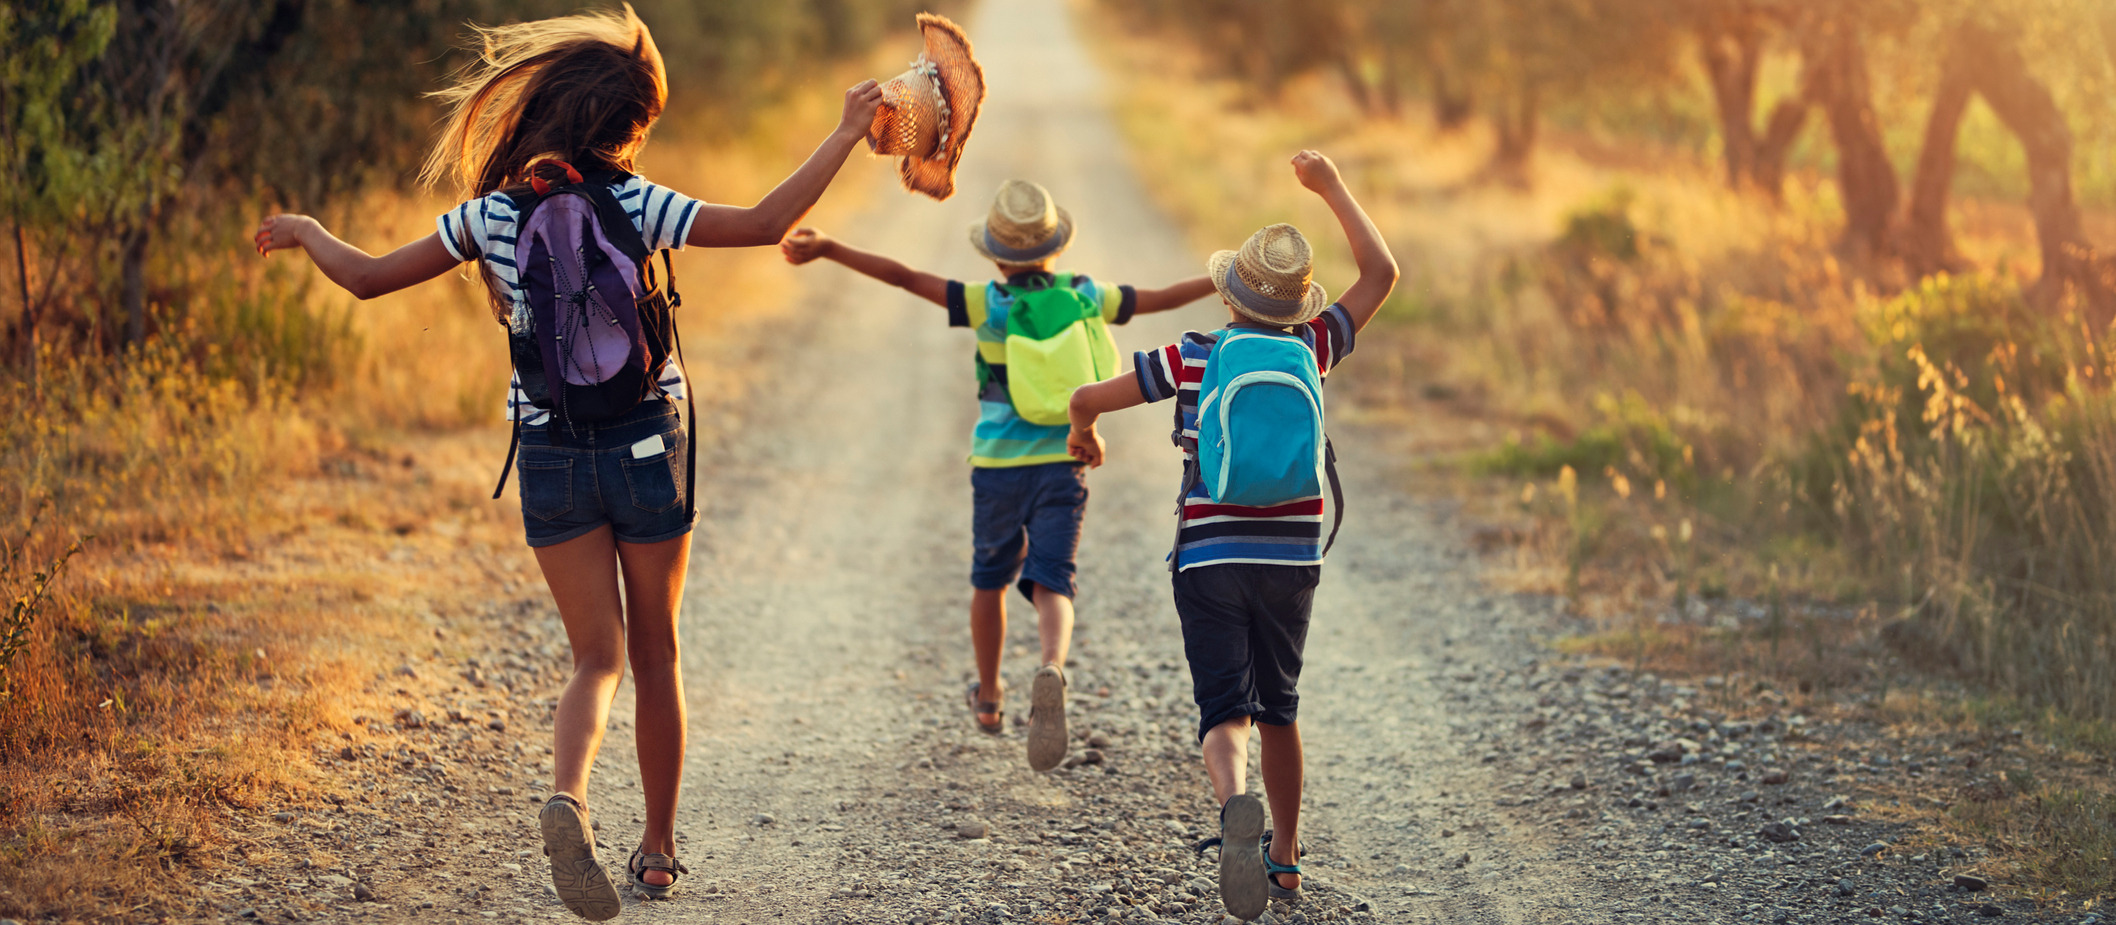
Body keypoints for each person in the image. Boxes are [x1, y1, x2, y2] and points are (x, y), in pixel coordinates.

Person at [253, 7, 882, 919]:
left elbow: (369, 277)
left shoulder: (493, 214)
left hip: (548, 450)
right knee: (657, 654)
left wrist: (311, 231)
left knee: (596, 658)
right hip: (642, 442)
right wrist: (846, 132)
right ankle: (658, 854)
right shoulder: (637, 201)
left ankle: (571, 798)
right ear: (624, 124)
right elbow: (766, 220)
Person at [779, 179, 1214, 770]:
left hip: (997, 466)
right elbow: (1160, 298)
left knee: (990, 578)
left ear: (996, 254)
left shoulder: (987, 302)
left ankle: (988, 698)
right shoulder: (1087, 293)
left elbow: (904, 277)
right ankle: (1053, 666)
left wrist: (831, 247)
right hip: (1065, 458)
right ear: (1055, 245)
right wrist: (1222, 278)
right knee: (1054, 578)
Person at [1064, 151, 1397, 920]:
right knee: (1280, 706)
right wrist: (1333, 186)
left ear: (1231, 291)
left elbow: (1089, 395)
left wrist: (1085, 430)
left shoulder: (1191, 354)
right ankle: (1284, 861)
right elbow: (1381, 275)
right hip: (1291, 557)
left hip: (1209, 556)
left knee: (1224, 708)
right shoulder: (1313, 346)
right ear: (1296, 303)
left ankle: (1235, 803)